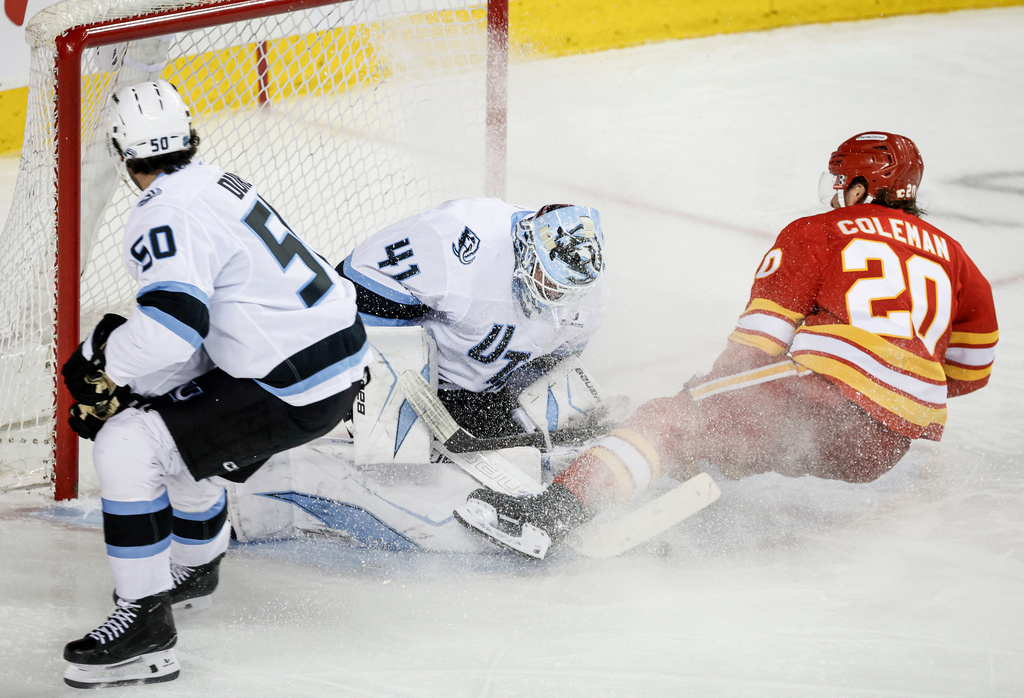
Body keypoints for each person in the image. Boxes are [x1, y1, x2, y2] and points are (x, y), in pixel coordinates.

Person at [456, 131, 999, 559]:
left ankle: (547, 516)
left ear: (863, 188)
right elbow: (974, 369)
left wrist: (704, 399)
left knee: (671, 416)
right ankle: (659, 464)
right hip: (885, 445)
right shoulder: (955, 256)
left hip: (827, 398)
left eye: (843, 181)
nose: (837, 192)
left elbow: (757, 346)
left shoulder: (819, 231)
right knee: (728, 428)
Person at [59, 80, 372, 688]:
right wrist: (135, 383)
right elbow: (201, 334)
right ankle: (195, 566)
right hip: (335, 363)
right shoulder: (218, 180)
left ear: (123, 152)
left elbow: (175, 332)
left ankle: (145, 630)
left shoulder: (161, 212)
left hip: (290, 384)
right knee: (165, 420)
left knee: (127, 442)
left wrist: (101, 371)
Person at [337, 198, 607, 441]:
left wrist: (520, 407)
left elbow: (550, 363)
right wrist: (367, 377)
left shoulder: (587, 288)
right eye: (549, 280)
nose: (557, 296)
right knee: (388, 443)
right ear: (528, 250)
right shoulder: (459, 241)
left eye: (568, 290)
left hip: (479, 393)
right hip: (420, 375)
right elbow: (359, 280)